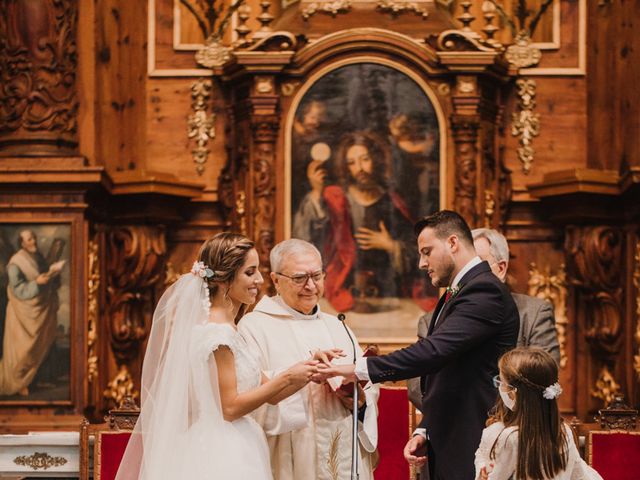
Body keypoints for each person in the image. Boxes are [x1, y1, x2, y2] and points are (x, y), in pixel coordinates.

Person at [317, 210, 519, 480]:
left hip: (473, 436)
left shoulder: (485, 290)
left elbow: (434, 352)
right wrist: (426, 428)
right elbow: (449, 372)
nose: (422, 263)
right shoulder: (462, 289)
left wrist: (359, 369)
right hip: (450, 433)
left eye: (427, 251)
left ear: (453, 243)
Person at [115, 233, 332, 480]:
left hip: (242, 442)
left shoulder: (230, 329)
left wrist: (310, 369)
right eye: (250, 273)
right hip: (221, 450)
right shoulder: (217, 335)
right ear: (225, 279)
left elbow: (269, 393)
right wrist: (287, 378)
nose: (259, 280)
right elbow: (229, 408)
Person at [238, 238, 379, 480]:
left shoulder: (338, 327)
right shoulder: (253, 327)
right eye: (299, 278)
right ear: (275, 280)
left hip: (346, 450)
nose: (311, 286)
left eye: (317, 276)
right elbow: (247, 394)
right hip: (291, 457)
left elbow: (369, 390)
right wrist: (299, 378)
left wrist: (358, 400)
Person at [408, 227, 561, 409]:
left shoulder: (534, 313)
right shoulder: (430, 320)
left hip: (514, 428)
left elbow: (543, 377)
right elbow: (417, 386)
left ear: (501, 268)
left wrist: (490, 415)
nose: (468, 272)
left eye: (478, 264)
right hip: (452, 428)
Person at [293, 131, 422, 312]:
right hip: (345, 289)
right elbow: (308, 239)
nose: (359, 168)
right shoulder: (336, 199)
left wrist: (391, 246)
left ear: (376, 160)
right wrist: (316, 192)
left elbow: (418, 250)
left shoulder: (392, 202)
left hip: (390, 293)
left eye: (365, 159)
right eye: (352, 163)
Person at [475, 347, 603, 480]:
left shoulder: (511, 437)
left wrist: (484, 475)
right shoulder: (564, 431)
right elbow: (581, 475)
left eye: (501, 382)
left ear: (513, 393)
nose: (499, 387)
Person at [0, 230, 62, 396]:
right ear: (22, 244)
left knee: (38, 347)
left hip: (37, 312)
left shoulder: (37, 258)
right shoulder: (15, 263)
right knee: (22, 351)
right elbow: (19, 291)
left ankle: (32, 381)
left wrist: (51, 277)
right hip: (21, 315)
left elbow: (44, 278)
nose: (34, 241)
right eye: (29, 239)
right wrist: (37, 283)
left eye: (34, 237)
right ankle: (18, 382)